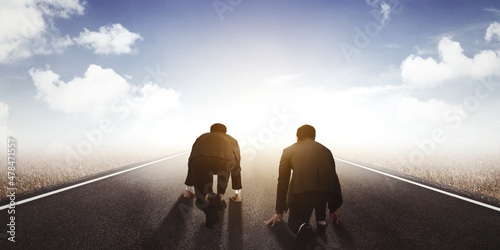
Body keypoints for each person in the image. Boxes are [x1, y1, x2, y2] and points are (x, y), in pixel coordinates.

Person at [265, 124, 343, 248]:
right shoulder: (326, 150)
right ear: (314, 137)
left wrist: (279, 211)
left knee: (294, 223)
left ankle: (306, 230)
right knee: (320, 186)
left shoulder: (289, 150)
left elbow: (283, 180)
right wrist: (333, 208)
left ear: (297, 137)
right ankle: (321, 221)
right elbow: (332, 176)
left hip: (303, 192)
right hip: (327, 192)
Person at [183, 123, 242, 227]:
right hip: (225, 161)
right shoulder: (232, 140)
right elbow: (237, 166)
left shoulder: (201, 137)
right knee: (224, 172)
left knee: (201, 193)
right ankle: (220, 197)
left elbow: (191, 161)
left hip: (200, 160)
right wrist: (237, 193)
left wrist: (188, 189)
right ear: (225, 132)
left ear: (211, 131)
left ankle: (208, 197)